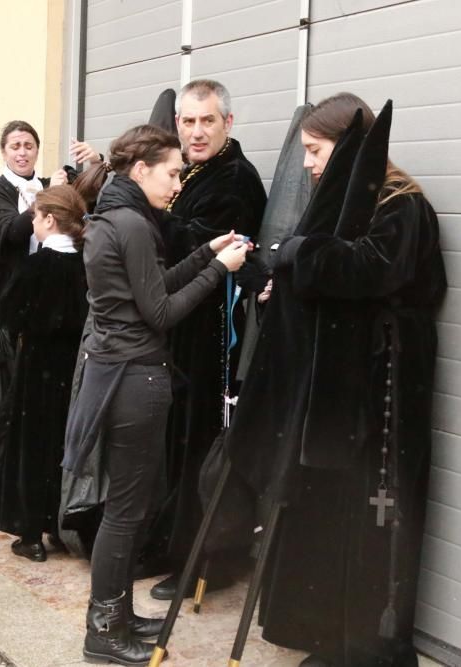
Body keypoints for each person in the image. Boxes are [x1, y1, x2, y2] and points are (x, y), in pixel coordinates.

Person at [225, 93, 446, 666]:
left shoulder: (403, 205)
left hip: (385, 390)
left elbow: (370, 270)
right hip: (341, 392)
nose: (308, 164)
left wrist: (301, 254)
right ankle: (327, 632)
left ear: (348, 147)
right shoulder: (346, 203)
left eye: (317, 150)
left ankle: (368, 645)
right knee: (331, 512)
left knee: (375, 519)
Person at [63, 124, 250, 665]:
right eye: (171, 173)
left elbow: (153, 285)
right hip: (133, 379)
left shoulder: (114, 217)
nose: (177, 183)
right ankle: (104, 629)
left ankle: (117, 613)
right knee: (125, 512)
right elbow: (163, 312)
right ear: (140, 170)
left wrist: (204, 252)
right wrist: (220, 268)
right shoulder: (132, 224)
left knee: (128, 508)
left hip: (120, 375)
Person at [146, 78, 268, 600]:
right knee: (172, 445)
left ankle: (204, 562)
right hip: (179, 328)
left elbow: (197, 244)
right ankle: (171, 545)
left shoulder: (236, 179)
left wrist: (146, 215)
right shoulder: (190, 170)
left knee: (203, 448)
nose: (196, 132)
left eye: (207, 121)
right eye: (188, 121)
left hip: (215, 339)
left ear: (228, 124)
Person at [0, 120, 98, 512]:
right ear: (3, 151)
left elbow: (82, 210)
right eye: (15, 145)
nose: (22, 152)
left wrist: (96, 165)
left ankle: (20, 475)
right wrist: (47, 195)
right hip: (2, 306)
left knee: (29, 394)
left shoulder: (51, 184)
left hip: (45, 299)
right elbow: (10, 233)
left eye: (29, 145)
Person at [0, 185, 89, 562]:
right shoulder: (87, 265)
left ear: (49, 220)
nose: (32, 222)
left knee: (31, 447)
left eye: (35, 215)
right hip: (76, 371)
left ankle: (29, 531)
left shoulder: (34, 267)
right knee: (64, 446)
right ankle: (62, 523)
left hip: (37, 371)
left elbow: (8, 315)